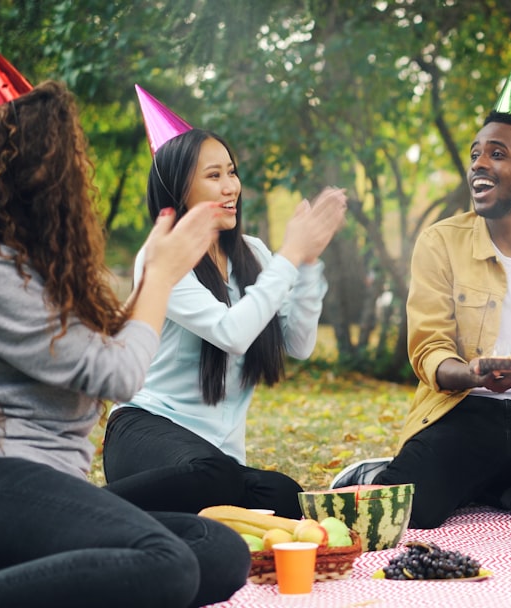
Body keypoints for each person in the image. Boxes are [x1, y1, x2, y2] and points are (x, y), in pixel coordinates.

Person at [0, 80, 249, 607]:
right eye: (66, 157)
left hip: (48, 485)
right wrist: (160, 276)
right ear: (22, 170)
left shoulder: (35, 263)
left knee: (219, 549)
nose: (78, 171)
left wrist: (152, 280)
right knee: (169, 564)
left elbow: (97, 345)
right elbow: (116, 375)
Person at [331, 54, 511, 528]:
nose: (478, 165)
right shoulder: (440, 241)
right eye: (475, 154)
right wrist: (470, 375)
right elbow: (429, 347)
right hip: (466, 407)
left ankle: (500, 488)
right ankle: (398, 473)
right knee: (412, 512)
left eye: (497, 154)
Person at [102, 125, 346, 518]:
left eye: (231, 172)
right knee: (216, 477)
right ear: (180, 190)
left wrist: (308, 262)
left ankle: (162, 522)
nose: (230, 186)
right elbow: (231, 333)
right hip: (144, 430)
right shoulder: (163, 256)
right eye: (214, 176)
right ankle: (92, 511)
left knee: (287, 497)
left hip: (214, 461)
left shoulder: (254, 254)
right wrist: (289, 256)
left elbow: (299, 345)